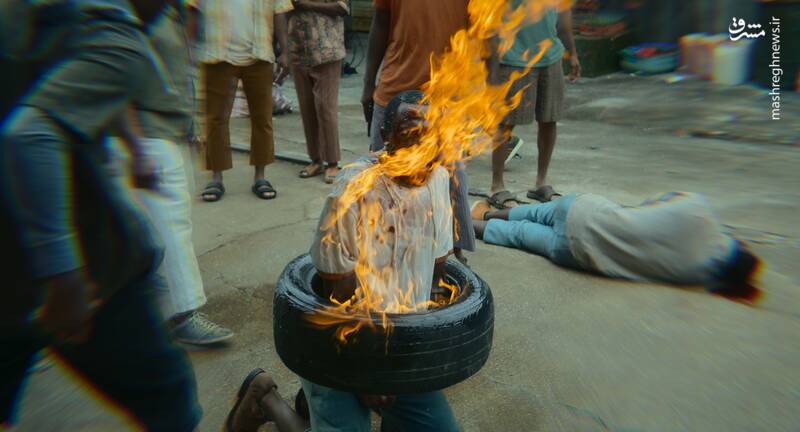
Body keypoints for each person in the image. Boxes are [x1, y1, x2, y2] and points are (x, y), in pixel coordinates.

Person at [0, 1, 201, 430]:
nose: (167, 11)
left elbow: (72, 83)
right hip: (78, 271)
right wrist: (63, 275)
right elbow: (28, 135)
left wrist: (131, 144)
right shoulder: (114, 28)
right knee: (168, 398)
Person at [225, 91, 460, 432]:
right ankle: (266, 399)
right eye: (410, 135)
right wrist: (365, 376)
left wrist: (413, 363)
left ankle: (318, 409)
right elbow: (341, 298)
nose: (422, 150)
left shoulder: (438, 178)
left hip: (398, 345)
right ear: (385, 138)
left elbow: (436, 273)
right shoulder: (353, 191)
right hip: (338, 342)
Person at [110, 2, 234, 345]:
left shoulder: (168, 14)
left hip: (165, 131)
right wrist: (135, 148)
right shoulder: (130, 13)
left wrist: (187, 125)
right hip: (145, 135)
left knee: (159, 229)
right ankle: (181, 314)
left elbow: (178, 76)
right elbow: (116, 83)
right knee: (170, 229)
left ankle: (153, 311)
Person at [471, 193, 763, 302]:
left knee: (539, 212)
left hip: (585, 211)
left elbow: (651, 203)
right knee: (521, 235)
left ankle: (485, 212)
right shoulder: (696, 275)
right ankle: (465, 223)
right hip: (578, 253)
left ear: (739, 246)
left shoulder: (699, 208)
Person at [361, 0, 475, 265]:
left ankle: (452, 255)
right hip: (394, 89)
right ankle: (376, 246)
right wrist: (368, 83)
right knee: (382, 180)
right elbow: (380, 23)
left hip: (448, 97)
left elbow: (480, 35)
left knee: (450, 181)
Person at [189, 0, 293, 202]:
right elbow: (192, 9)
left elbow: (279, 10)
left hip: (259, 54)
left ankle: (260, 177)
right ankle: (216, 177)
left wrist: (285, 51)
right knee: (215, 119)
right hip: (217, 54)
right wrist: (189, 50)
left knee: (262, 119)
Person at [486, 1, 580, 208]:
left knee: (549, 119)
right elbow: (489, 21)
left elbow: (564, 17)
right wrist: (491, 68)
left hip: (550, 57)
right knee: (506, 123)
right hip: (512, 58)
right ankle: (497, 186)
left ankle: (541, 183)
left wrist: (572, 53)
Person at [289, 0, 349, 184]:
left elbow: (342, 8)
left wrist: (307, 5)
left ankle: (332, 162)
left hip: (327, 50)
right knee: (307, 108)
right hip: (298, 49)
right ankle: (315, 160)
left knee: (325, 108)